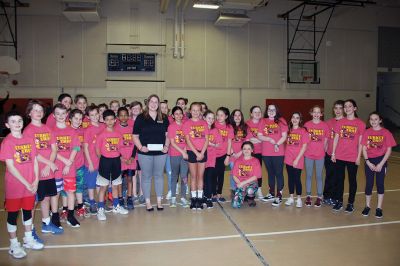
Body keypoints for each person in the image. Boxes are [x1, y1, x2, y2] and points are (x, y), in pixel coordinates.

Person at [0, 111, 44, 259]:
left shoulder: (29, 139)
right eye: (13, 121)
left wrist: (36, 180)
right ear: (7, 125)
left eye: (19, 120)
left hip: (31, 185)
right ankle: (13, 245)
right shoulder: (7, 142)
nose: (17, 123)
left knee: (27, 211)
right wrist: (27, 183)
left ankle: (28, 239)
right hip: (15, 186)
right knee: (13, 215)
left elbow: (35, 161)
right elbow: (11, 167)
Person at [24, 101, 63, 236]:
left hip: (48, 171)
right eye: (35, 110)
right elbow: (32, 153)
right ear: (29, 113)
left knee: (46, 198)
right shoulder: (28, 131)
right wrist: (48, 163)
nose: (38, 112)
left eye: (40, 110)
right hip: (36, 173)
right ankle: (30, 230)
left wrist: (49, 165)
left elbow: (54, 148)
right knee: (33, 203)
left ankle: (46, 224)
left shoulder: (47, 129)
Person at [133, 94, 169, 211]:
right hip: (145, 153)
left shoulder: (164, 117)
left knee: (159, 176)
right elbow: (135, 136)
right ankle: (148, 202)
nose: (153, 104)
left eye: (156, 102)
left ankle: (159, 201)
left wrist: (167, 146)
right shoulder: (141, 118)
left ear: (158, 104)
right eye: (151, 101)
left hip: (161, 153)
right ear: (148, 103)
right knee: (146, 177)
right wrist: (140, 147)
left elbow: (168, 135)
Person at [331, 99, 366, 213]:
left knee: (352, 181)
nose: (347, 108)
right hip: (340, 156)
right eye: (345, 106)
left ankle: (351, 203)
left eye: (349, 106)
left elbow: (361, 142)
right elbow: (336, 138)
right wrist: (333, 153)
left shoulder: (360, 123)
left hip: (352, 157)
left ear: (354, 108)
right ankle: (339, 201)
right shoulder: (340, 122)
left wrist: (358, 157)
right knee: (339, 180)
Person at [361, 112, 396, 218]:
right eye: (371, 119)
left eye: (376, 119)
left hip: (381, 161)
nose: (373, 121)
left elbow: (389, 149)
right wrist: (367, 161)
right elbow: (364, 148)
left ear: (380, 120)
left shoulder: (386, 132)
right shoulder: (367, 132)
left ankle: (379, 208)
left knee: (380, 184)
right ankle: (367, 206)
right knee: (369, 184)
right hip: (369, 161)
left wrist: (381, 164)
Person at [95, 109, 129, 221]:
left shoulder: (118, 134)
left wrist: (119, 158)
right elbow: (97, 150)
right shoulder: (101, 135)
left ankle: (116, 206)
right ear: (104, 121)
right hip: (105, 162)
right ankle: (100, 209)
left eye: (111, 119)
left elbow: (119, 148)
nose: (109, 121)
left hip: (116, 162)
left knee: (115, 185)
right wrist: (104, 159)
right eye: (107, 119)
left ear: (115, 120)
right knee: (103, 187)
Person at [52, 104, 81, 228]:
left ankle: (70, 216)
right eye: (58, 114)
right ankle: (54, 216)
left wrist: (69, 163)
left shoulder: (71, 131)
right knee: (56, 193)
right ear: (54, 115)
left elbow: (75, 147)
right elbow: (51, 150)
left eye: (63, 113)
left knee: (71, 192)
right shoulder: (51, 131)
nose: (60, 116)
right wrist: (65, 161)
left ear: (67, 115)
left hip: (69, 167)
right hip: (57, 167)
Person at [258, 104, 288, 205]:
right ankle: (271, 193)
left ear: (276, 110)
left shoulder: (281, 120)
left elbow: (284, 136)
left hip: (278, 152)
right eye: (269, 109)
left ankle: (279, 195)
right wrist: (269, 139)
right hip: (266, 152)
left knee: (278, 173)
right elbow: (259, 135)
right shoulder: (263, 121)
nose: (271, 111)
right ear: (267, 111)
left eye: (273, 109)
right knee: (270, 173)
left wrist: (276, 144)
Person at [183, 102, 209, 209]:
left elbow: (207, 139)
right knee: (193, 177)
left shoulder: (204, 123)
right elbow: (188, 140)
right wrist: (196, 153)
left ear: (200, 112)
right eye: (193, 110)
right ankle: (193, 199)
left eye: (197, 110)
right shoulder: (187, 124)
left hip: (202, 152)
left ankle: (199, 198)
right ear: (190, 111)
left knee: (200, 176)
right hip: (192, 152)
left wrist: (202, 153)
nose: (195, 112)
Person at [304, 106, 329, 207]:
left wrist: (323, 150)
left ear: (321, 114)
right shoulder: (307, 124)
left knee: (319, 176)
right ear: (311, 113)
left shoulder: (324, 125)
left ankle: (319, 197)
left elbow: (326, 141)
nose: (316, 114)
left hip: (320, 155)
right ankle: (308, 196)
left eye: (318, 112)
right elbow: (304, 140)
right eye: (314, 112)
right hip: (308, 155)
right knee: (309, 176)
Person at [284, 112, 309, 208]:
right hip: (288, 158)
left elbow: (304, 146)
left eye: (297, 118)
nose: (295, 119)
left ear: (300, 120)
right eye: (293, 117)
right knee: (290, 178)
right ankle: (291, 197)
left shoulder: (303, 131)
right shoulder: (288, 130)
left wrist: (297, 159)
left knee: (297, 179)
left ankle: (298, 199)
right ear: (291, 119)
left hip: (298, 158)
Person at [83, 105, 104, 214]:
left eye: (96, 114)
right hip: (91, 161)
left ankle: (100, 203)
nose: (95, 116)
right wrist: (90, 163)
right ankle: (91, 202)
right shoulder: (88, 130)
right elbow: (85, 147)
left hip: (102, 161)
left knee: (100, 183)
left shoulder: (103, 126)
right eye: (92, 115)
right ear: (88, 117)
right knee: (91, 184)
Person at [323, 100, 344, 205]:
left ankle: (337, 197)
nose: (338, 110)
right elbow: (326, 139)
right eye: (336, 108)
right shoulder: (328, 123)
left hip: (341, 155)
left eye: (340, 108)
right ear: (333, 109)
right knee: (329, 175)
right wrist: (325, 152)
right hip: (329, 154)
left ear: (344, 109)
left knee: (339, 177)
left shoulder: (346, 122)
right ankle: (327, 196)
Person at [167, 106, 189, 207]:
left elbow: (189, 139)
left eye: (180, 113)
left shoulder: (186, 125)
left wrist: (185, 151)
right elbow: (172, 142)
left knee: (184, 176)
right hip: (174, 155)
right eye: (176, 114)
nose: (179, 115)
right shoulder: (171, 127)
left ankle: (183, 197)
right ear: (173, 116)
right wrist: (182, 152)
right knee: (174, 176)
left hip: (184, 155)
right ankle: (173, 199)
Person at [115, 107, 136, 210]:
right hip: (120, 160)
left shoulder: (132, 129)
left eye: (125, 115)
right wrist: (121, 158)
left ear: (128, 116)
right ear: (118, 117)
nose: (123, 117)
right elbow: (114, 146)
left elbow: (136, 144)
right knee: (119, 180)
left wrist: (132, 157)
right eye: (121, 115)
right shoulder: (115, 129)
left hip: (131, 160)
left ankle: (129, 198)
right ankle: (120, 198)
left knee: (130, 179)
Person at [231, 141, 262, 208]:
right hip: (240, 183)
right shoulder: (238, 161)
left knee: (249, 190)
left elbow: (256, 176)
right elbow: (234, 175)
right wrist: (240, 184)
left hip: (251, 183)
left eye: (248, 149)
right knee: (235, 205)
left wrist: (244, 183)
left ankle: (250, 199)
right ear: (242, 150)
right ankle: (242, 195)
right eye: (244, 149)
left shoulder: (255, 161)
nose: (246, 150)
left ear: (252, 150)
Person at [69, 109, 87, 218]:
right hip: (68, 166)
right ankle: (66, 209)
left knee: (79, 187)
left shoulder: (82, 132)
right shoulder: (66, 131)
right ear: (70, 119)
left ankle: (80, 206)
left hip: (80, 164)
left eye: (80, 119)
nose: (78, 121)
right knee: (68, 190)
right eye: (76, 118)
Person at [214, 107, 233, 202]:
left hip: (223, 155)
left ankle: (219, 194)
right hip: (212, 154)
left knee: (220, 175)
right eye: (217, 115)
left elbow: (230, 143)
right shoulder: (213, 125)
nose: (219, 117)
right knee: (212, 174)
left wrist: (228, 156)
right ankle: (213, 194)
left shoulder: (229, 127)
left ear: (226, 116)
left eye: (221, 115)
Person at [246, 106, 264, 199]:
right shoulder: (247, 124)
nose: (257, 113)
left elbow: (265, 138)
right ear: (251, 114)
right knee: (249, 171)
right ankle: (249, 190)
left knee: (259, 172)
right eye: (255, 112)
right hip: (250, 152)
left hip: (261, 151)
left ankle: (259, 190)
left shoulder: (264, 123)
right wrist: (260, 139)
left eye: (259, 112)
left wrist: (260, 139)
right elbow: (249, 139)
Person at [229, 109, 247, 198]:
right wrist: (232, 152)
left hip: (242, 155)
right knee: (233, 173)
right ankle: (233, 189)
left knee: (242, 173)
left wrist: (240, 153)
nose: (237, 117)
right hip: (232, 155)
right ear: (232, 117)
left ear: (241, 117)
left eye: (239, 115)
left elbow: (246, 142)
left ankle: (243, 190)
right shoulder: (229, 127)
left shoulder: (245, 127)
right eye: (235, 115)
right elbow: (228, 141)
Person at [204, 110, 218, 208]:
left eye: (213, 118)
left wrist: (211, 144)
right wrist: (212, 144)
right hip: (201, 156)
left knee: (209, 178)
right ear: (204, 118)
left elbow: (219, 143)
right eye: (209, 118)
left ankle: (208, 197)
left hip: (211, 158)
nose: (211, 120)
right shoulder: (201, 129)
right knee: (202, 178)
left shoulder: (215, 130)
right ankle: (202, 196)